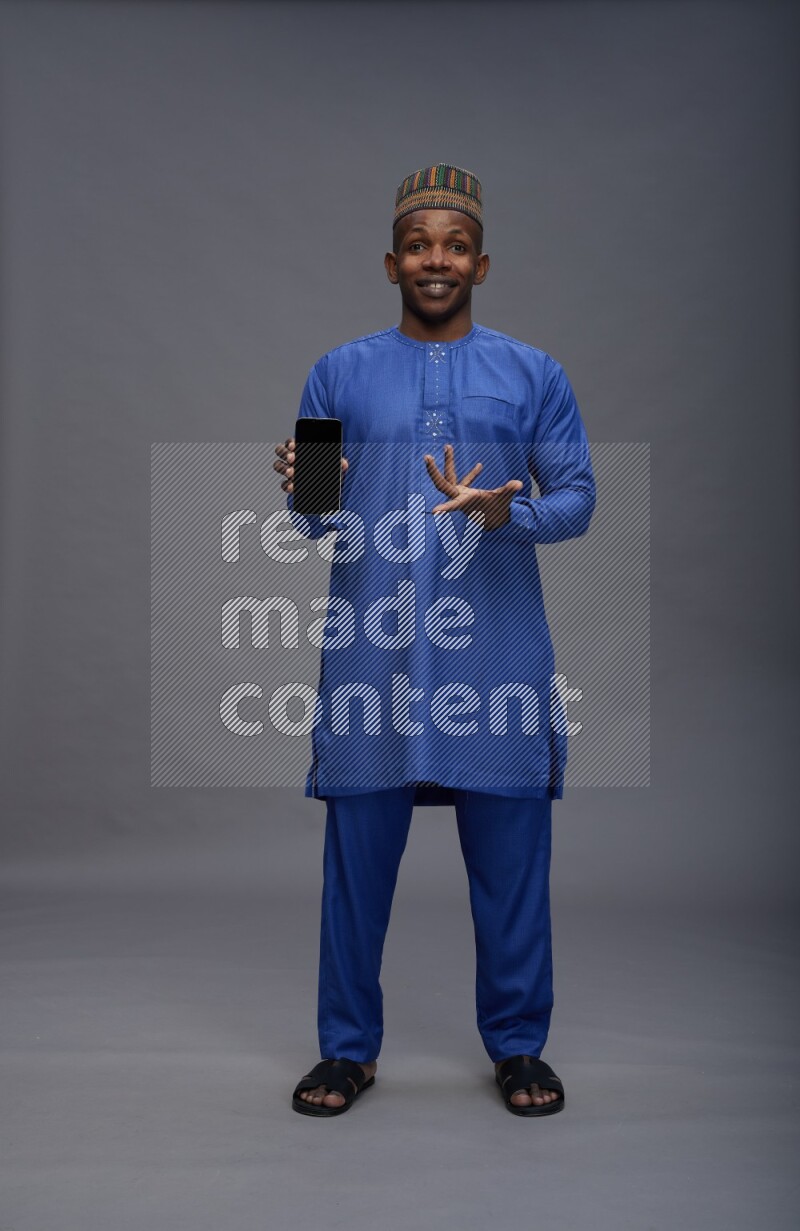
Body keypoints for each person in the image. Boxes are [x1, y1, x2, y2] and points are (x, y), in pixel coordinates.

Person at [274, 164, 596, 1117]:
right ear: (391, 263)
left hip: (493, 657)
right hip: (374, 657)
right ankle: (346, 1051)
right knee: (356, 868)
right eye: (419, 245)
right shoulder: (338, 371)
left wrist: (509, 513)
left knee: (511, 868)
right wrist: (300, 483)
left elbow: (578, 500)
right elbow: (318, 520)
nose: (436, 259)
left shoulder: (535, 372)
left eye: (454, 245)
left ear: (482, 262)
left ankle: (519, 1047)